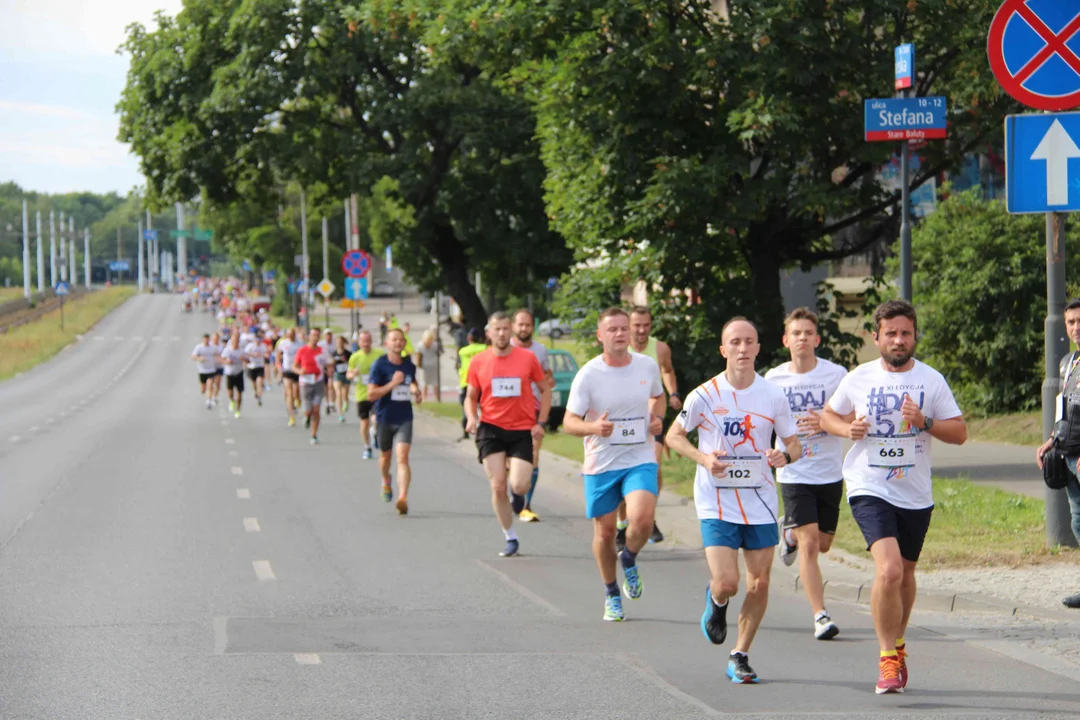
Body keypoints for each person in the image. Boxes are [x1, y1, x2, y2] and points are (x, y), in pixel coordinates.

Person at [820, 299, 967, 695]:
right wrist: (845, 430)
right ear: (876, 337)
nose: (899, 340)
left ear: (915, 335)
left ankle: (899, 645)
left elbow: (960, 432)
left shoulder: (931, 380)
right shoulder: (859, 378)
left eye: (905, 333)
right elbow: (827, 416)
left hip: (915, 492)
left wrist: (925, 422)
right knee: (888, 571)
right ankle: (887, 659)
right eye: (891, 334)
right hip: (869, 485)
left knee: (906, 574)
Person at [666, 317, 802, 684]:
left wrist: (784, 457)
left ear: (759, 348)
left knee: (759, 583)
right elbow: (673, 436)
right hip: (717, 500)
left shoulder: (773, 395)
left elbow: (795, 444)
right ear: (724, 350)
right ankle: (717, 600)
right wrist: (704, 459)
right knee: (728, 581)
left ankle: (739, 654)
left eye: (750, 342)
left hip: (759, 499)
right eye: (735, 343)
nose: (743, 349)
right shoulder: (705, 395)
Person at [564, 308, 665, 621]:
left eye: (624, 329)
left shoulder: (647, 365)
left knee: (643, 519)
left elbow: (658, 397)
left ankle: (630, 557)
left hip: (639, 457)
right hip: (602, 462)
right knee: (605, 533)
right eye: (613, 330)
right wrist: (595, 428)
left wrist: (657, 417)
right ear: (600, 335)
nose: (620, 334)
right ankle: (611, 593)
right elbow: (569, 422)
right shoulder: (588, 375)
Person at [764, 307, 849, 640]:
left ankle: (788, 534)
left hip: (829, 471)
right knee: (811, 545)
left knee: (824, 544)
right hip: (793, 471)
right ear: (786, 340)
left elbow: (852, 411)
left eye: (807, 333)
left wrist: (827, 422)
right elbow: (763, 419)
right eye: (795, 334)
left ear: (817, 339)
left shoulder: (835, 374)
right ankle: (821, 616)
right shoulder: (773, 378)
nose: (802, 338)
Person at [464, 311, 551, 557]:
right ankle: (510, 537)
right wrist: (472, 418)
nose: (501, 334)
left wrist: (541, 422)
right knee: (498, 485)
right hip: (490, 428)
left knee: (520, 486)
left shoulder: (527, 358)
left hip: (521, 428)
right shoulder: (479, 361)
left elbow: (545, 390)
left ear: (510, 330)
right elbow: (471, 397)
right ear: (489, 333)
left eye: (505, 329)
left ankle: (518, 495)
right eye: (496, 329)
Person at [617, 306, 682, 547]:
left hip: (653, 418)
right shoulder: (621, 349)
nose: (642, 330)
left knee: (652, 468)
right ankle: (623, 523)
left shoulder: (661, 348)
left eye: (646, 325)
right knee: (624, 472)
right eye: (637, 325)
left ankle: (648, 516)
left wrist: (673, 392)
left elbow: (667, 370)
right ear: (629, 326)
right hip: (626, 420)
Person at [1036, 299, 1080, 609]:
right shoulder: (1068, 362)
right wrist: (1052, 438)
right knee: (1078, 521)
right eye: (1071, 322)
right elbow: (1064, 405)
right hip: (1068, 453)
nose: (1076, 327)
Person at [368, 328, 422, 514]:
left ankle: (403, 497)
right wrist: (392, 384)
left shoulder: (409, 365)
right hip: (384, 418)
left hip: (404, 417)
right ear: (387, 344)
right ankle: (385, 479)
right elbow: (371, 394)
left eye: (401, 339)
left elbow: (412, 381)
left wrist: (416, 391)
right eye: (394, 340)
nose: (398, 343)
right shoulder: (379, 365)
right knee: (385, 458)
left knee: (403, 458)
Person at [510, 309, 555, 522]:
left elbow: (547, 375)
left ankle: (526, 503)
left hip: (534, 409)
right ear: (513, 326)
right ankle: (515, 492)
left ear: (533, 327)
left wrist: (549, 382)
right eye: (520, 325)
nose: (524, 329)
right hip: (509, 411)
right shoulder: (505, 348)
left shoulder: (541, 350)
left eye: (528, 325)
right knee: (511, 459)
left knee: (533, 455)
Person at [347, 330, 385, 459]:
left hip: (377, 394)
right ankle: (367, 447)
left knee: (376, 420)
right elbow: (348, 374)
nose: (366, 344)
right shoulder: (355, 357)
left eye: (368, 341)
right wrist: (353, 374)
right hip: (362, 395)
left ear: (371, 341)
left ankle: (374, 433)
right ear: (359, 343)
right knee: (364, 423)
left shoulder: (379, 354)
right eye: (363, 341)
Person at [293, 328, 330, 445]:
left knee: (317, 409)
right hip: (305, 383)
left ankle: (314, 435)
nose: (315, 337)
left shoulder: (322, 351)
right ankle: (307, 416)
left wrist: (329, 369)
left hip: (318, 382)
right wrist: (300, 371)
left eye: (317, 335)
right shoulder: (302, 350)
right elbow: (294, 366)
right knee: (308, 410)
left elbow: (327, 363)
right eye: (313, 335)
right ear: (309, 336)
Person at [457, 329, 488, 441]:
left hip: (466, 381)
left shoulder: (462, 351)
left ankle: (467, 429)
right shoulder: (485, 349)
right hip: (482, 381)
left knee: (467, 404)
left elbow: (459, 365)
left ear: (469, 338)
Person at [276, 328, 302, 427]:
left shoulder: (300, 343)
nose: (291, 336)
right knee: (289, 392)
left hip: (297, 369)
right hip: (287, 370)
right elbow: (278, 355)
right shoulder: (283, 343)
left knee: (296, 392)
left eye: (293, 334)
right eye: (289, 334)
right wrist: (278, 367)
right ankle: (291, 417)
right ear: (286, 335)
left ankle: (298, 399)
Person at [220, 333, 247, 419]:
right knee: (230, 391)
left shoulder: (241, 351)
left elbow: (248, 360)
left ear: (238, 342)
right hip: (229, 373)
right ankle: (232, 400)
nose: (235, 342)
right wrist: (227, 361)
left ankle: (238, 410)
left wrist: (245, 359)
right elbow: (222, 359)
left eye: (236, 341)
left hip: (239, 372)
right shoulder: (227, 350)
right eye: (233, 341)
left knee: (239, 392)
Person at [192, 334, 218, 409]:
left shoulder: (212, 348)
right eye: (205, 339)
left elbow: (217, 355)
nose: (206, 341)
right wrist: (199, 358)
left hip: (211, 370)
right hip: (202, 370)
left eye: (207, 339)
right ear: (202, 340)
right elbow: (193, 356)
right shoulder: (199, 347)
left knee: (210, 386)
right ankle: (205, 392)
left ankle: (208, 401)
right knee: (203, 389)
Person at [332, 335, 353, 423]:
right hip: (337, 374)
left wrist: (346, 361)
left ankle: (346, 402)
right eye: (337, 342)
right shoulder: (334, 353)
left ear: (343, 343)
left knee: (345, 394)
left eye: (341, 342)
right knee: (338, 393)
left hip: (346, 374)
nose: (339, 344)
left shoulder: (348, 353)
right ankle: (340, 415)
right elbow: (330, 363)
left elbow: (352, 364)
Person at [245, 330, 268, 407]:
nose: (258, 342)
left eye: (259, 340)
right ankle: (255, 391)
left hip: (260, 366)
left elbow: (266, 353)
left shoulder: (263, 346)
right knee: (254, 383)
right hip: (252, 366)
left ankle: (259, 397)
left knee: (260, 382)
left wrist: (266, 355)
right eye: (257, 340)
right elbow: (246, 354)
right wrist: (253, 355)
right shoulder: (250, 346)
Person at [416, 329, 441, 401]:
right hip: (433, 365)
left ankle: (424, 398)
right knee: (434, 383)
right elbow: (439, 353)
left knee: (424, 383)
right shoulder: (435, 345)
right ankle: (437, 398)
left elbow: (418, 356)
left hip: (425, 366)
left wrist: (418, 364)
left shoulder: (420, 345)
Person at [210, 332, 225, 405]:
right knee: (210, 383)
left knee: (218, 383)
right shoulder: (209, 346)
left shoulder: (221, 346)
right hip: (210, 367)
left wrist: (222, 359)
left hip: (219, 367)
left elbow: (224, 356)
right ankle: (210, 396)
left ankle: (214, 397)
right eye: (214, 338)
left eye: (216, 338)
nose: (215, 340)